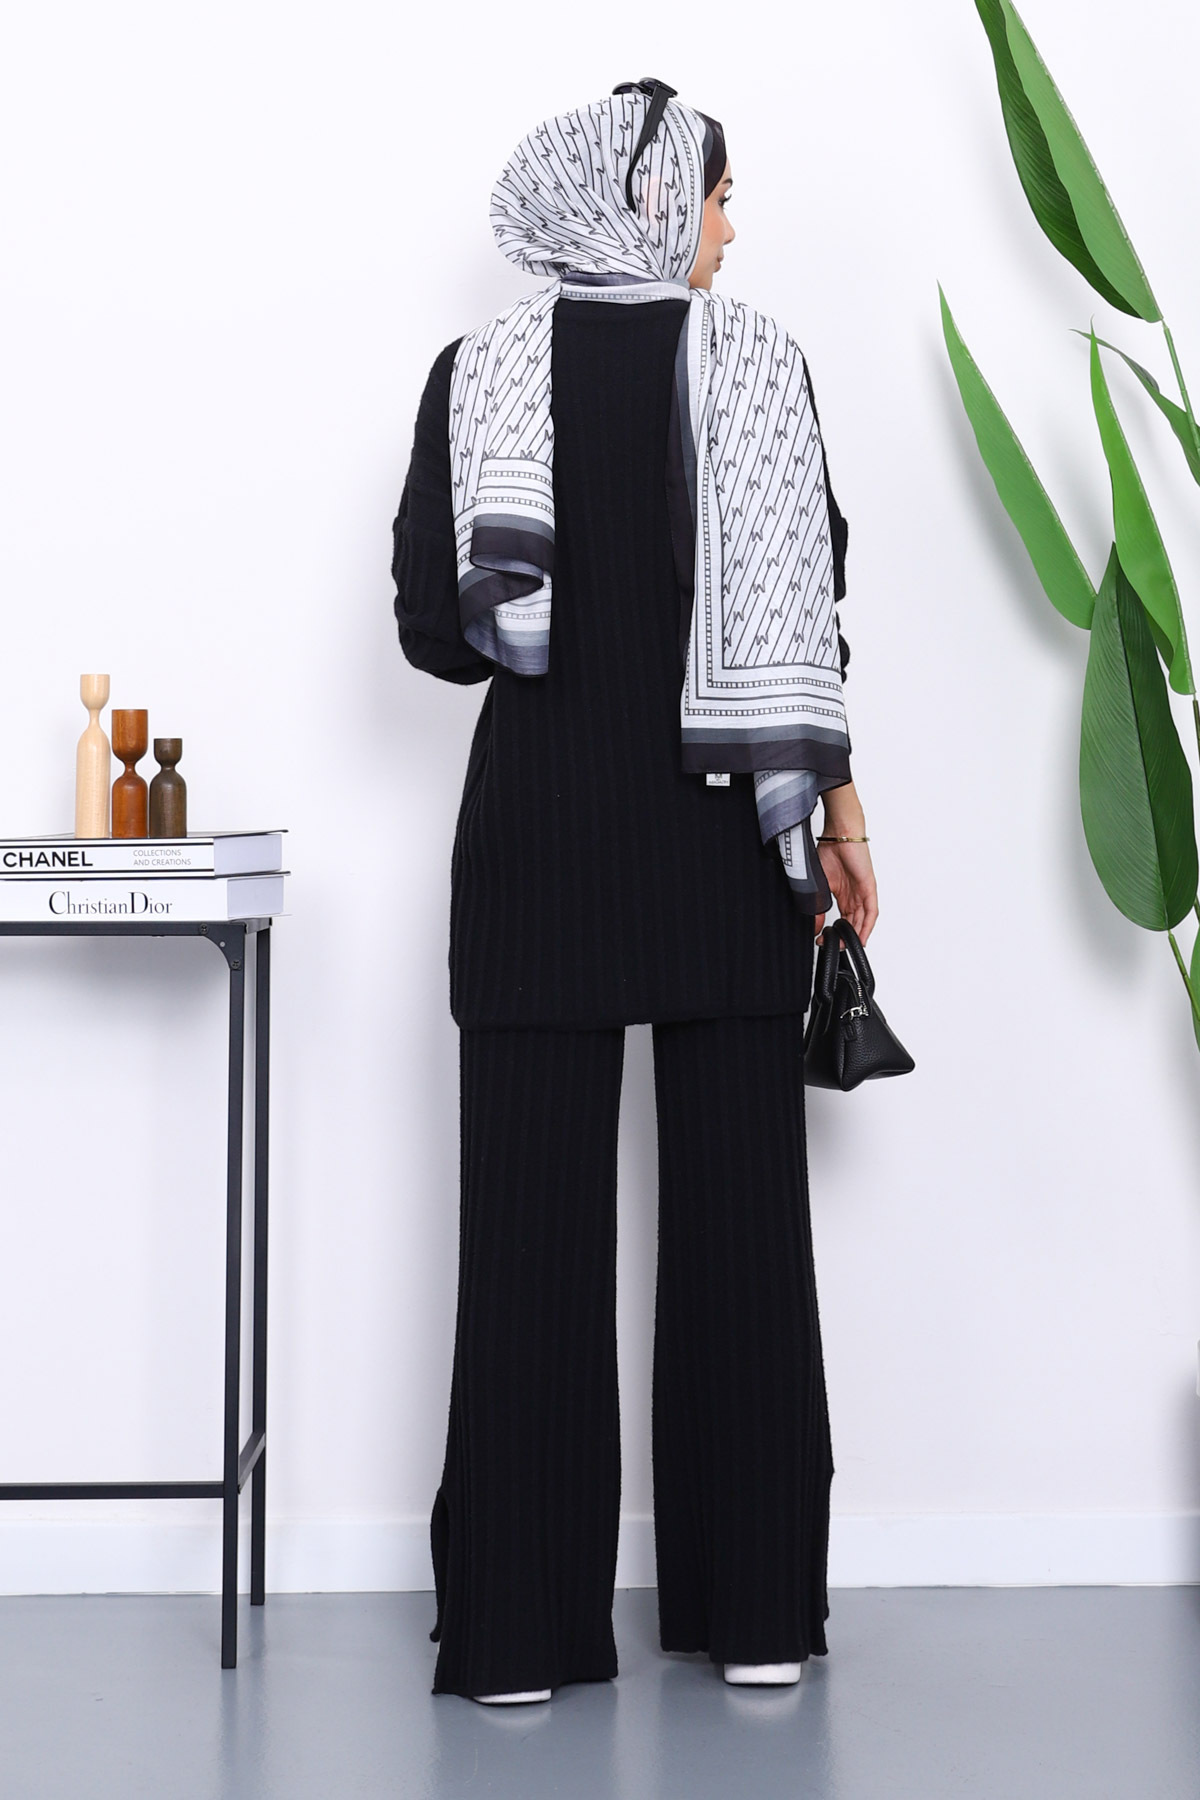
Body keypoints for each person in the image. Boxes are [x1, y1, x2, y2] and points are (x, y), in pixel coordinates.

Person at [391, 77, 878, 1705]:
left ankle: (518, 1640)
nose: (733, 226)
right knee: (744, 1240)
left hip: (536, 855)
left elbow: (434, 630)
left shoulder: (478, 375)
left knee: (525, 1250)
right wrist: (841, 815)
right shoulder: (763, 370)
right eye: (721, 194)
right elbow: (817, 616)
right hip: (727, 846)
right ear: (658, 199)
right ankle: (756, 1617)